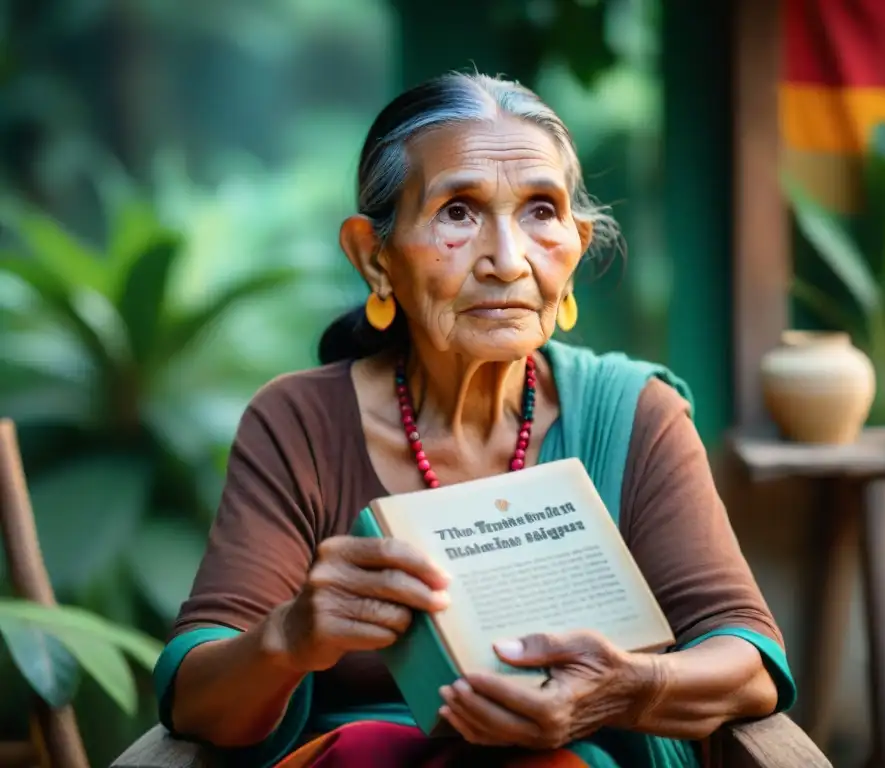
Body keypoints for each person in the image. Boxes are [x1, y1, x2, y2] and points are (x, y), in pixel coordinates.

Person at [153, 72, 796, 768]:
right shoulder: (301, 422)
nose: (507, 261)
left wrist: (626, 691)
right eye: (458, 212)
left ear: (576, 249)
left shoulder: (635, 414)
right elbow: (196, 699)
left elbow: (747, 660)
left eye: (541, 212)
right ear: (375, 258)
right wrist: (289, 637)